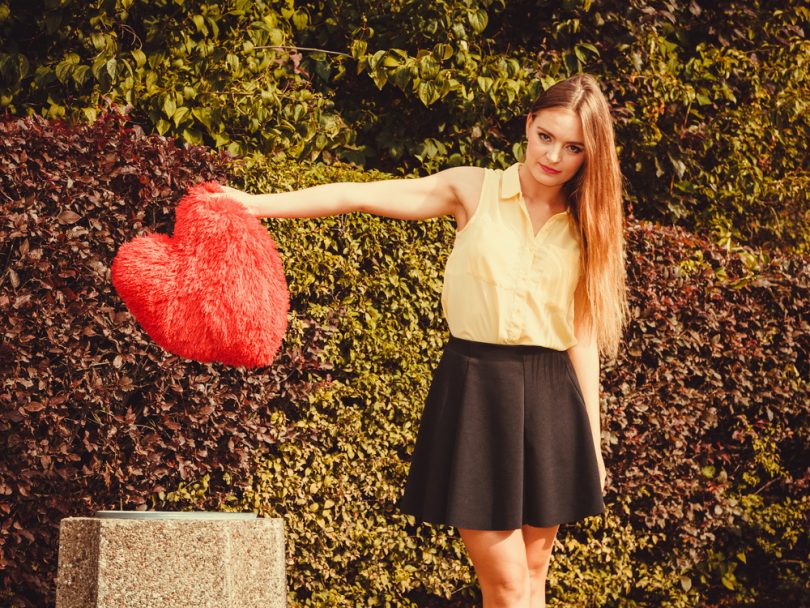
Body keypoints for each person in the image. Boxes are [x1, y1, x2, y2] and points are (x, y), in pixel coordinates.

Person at [213, 72, 629, 608]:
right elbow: (355, 195)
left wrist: (591, 445)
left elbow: (584, 337)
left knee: (532, 573)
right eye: (546, 136)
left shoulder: (588, 221)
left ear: (589, 154)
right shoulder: (471, 189)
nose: (553, 156)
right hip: (478, 384)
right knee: (505, 583)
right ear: (528, 125)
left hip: (552, 399)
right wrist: (256, 204)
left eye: (573, 147)